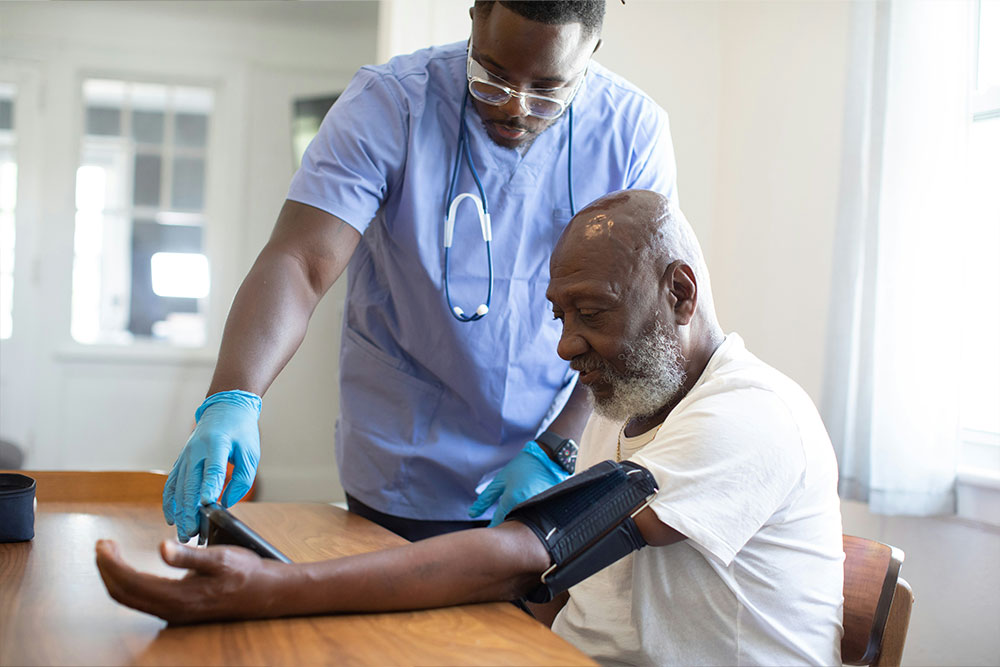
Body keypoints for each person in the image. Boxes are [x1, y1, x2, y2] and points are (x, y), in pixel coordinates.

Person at [100, 190, 844, 665]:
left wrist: (274, 589)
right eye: (560, 316)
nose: (564, 344)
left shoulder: (749, 416)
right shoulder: (636, 411)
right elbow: (557, 586)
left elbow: (530, 554)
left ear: (679, 292)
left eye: (591, 312)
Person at [161, 0, 679, 543]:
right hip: (401, 459)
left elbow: (636, 321)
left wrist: (559, 447)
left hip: (551, 455)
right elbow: (300, 261)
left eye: (549, 90)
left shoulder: (631, 131)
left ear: (591, 54)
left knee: (516, 626)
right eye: (493, 78)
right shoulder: (389, 103)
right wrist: (235, 397)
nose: (516, 108)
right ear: (475, 16)